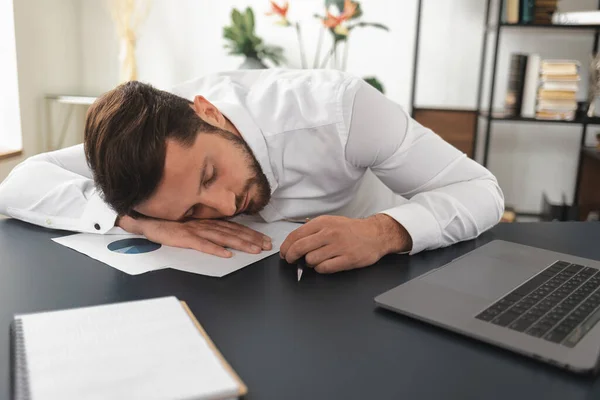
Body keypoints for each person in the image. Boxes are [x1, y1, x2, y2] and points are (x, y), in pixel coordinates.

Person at [0, 69, 504, 274]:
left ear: (210, 113)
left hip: (366, 273)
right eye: (191, 210)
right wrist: (140, 222)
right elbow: (20, 181)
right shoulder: (139, 149)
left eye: (208, 176)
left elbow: (480, 188)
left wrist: (385, 231)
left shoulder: (342, 111)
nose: (221, 207)